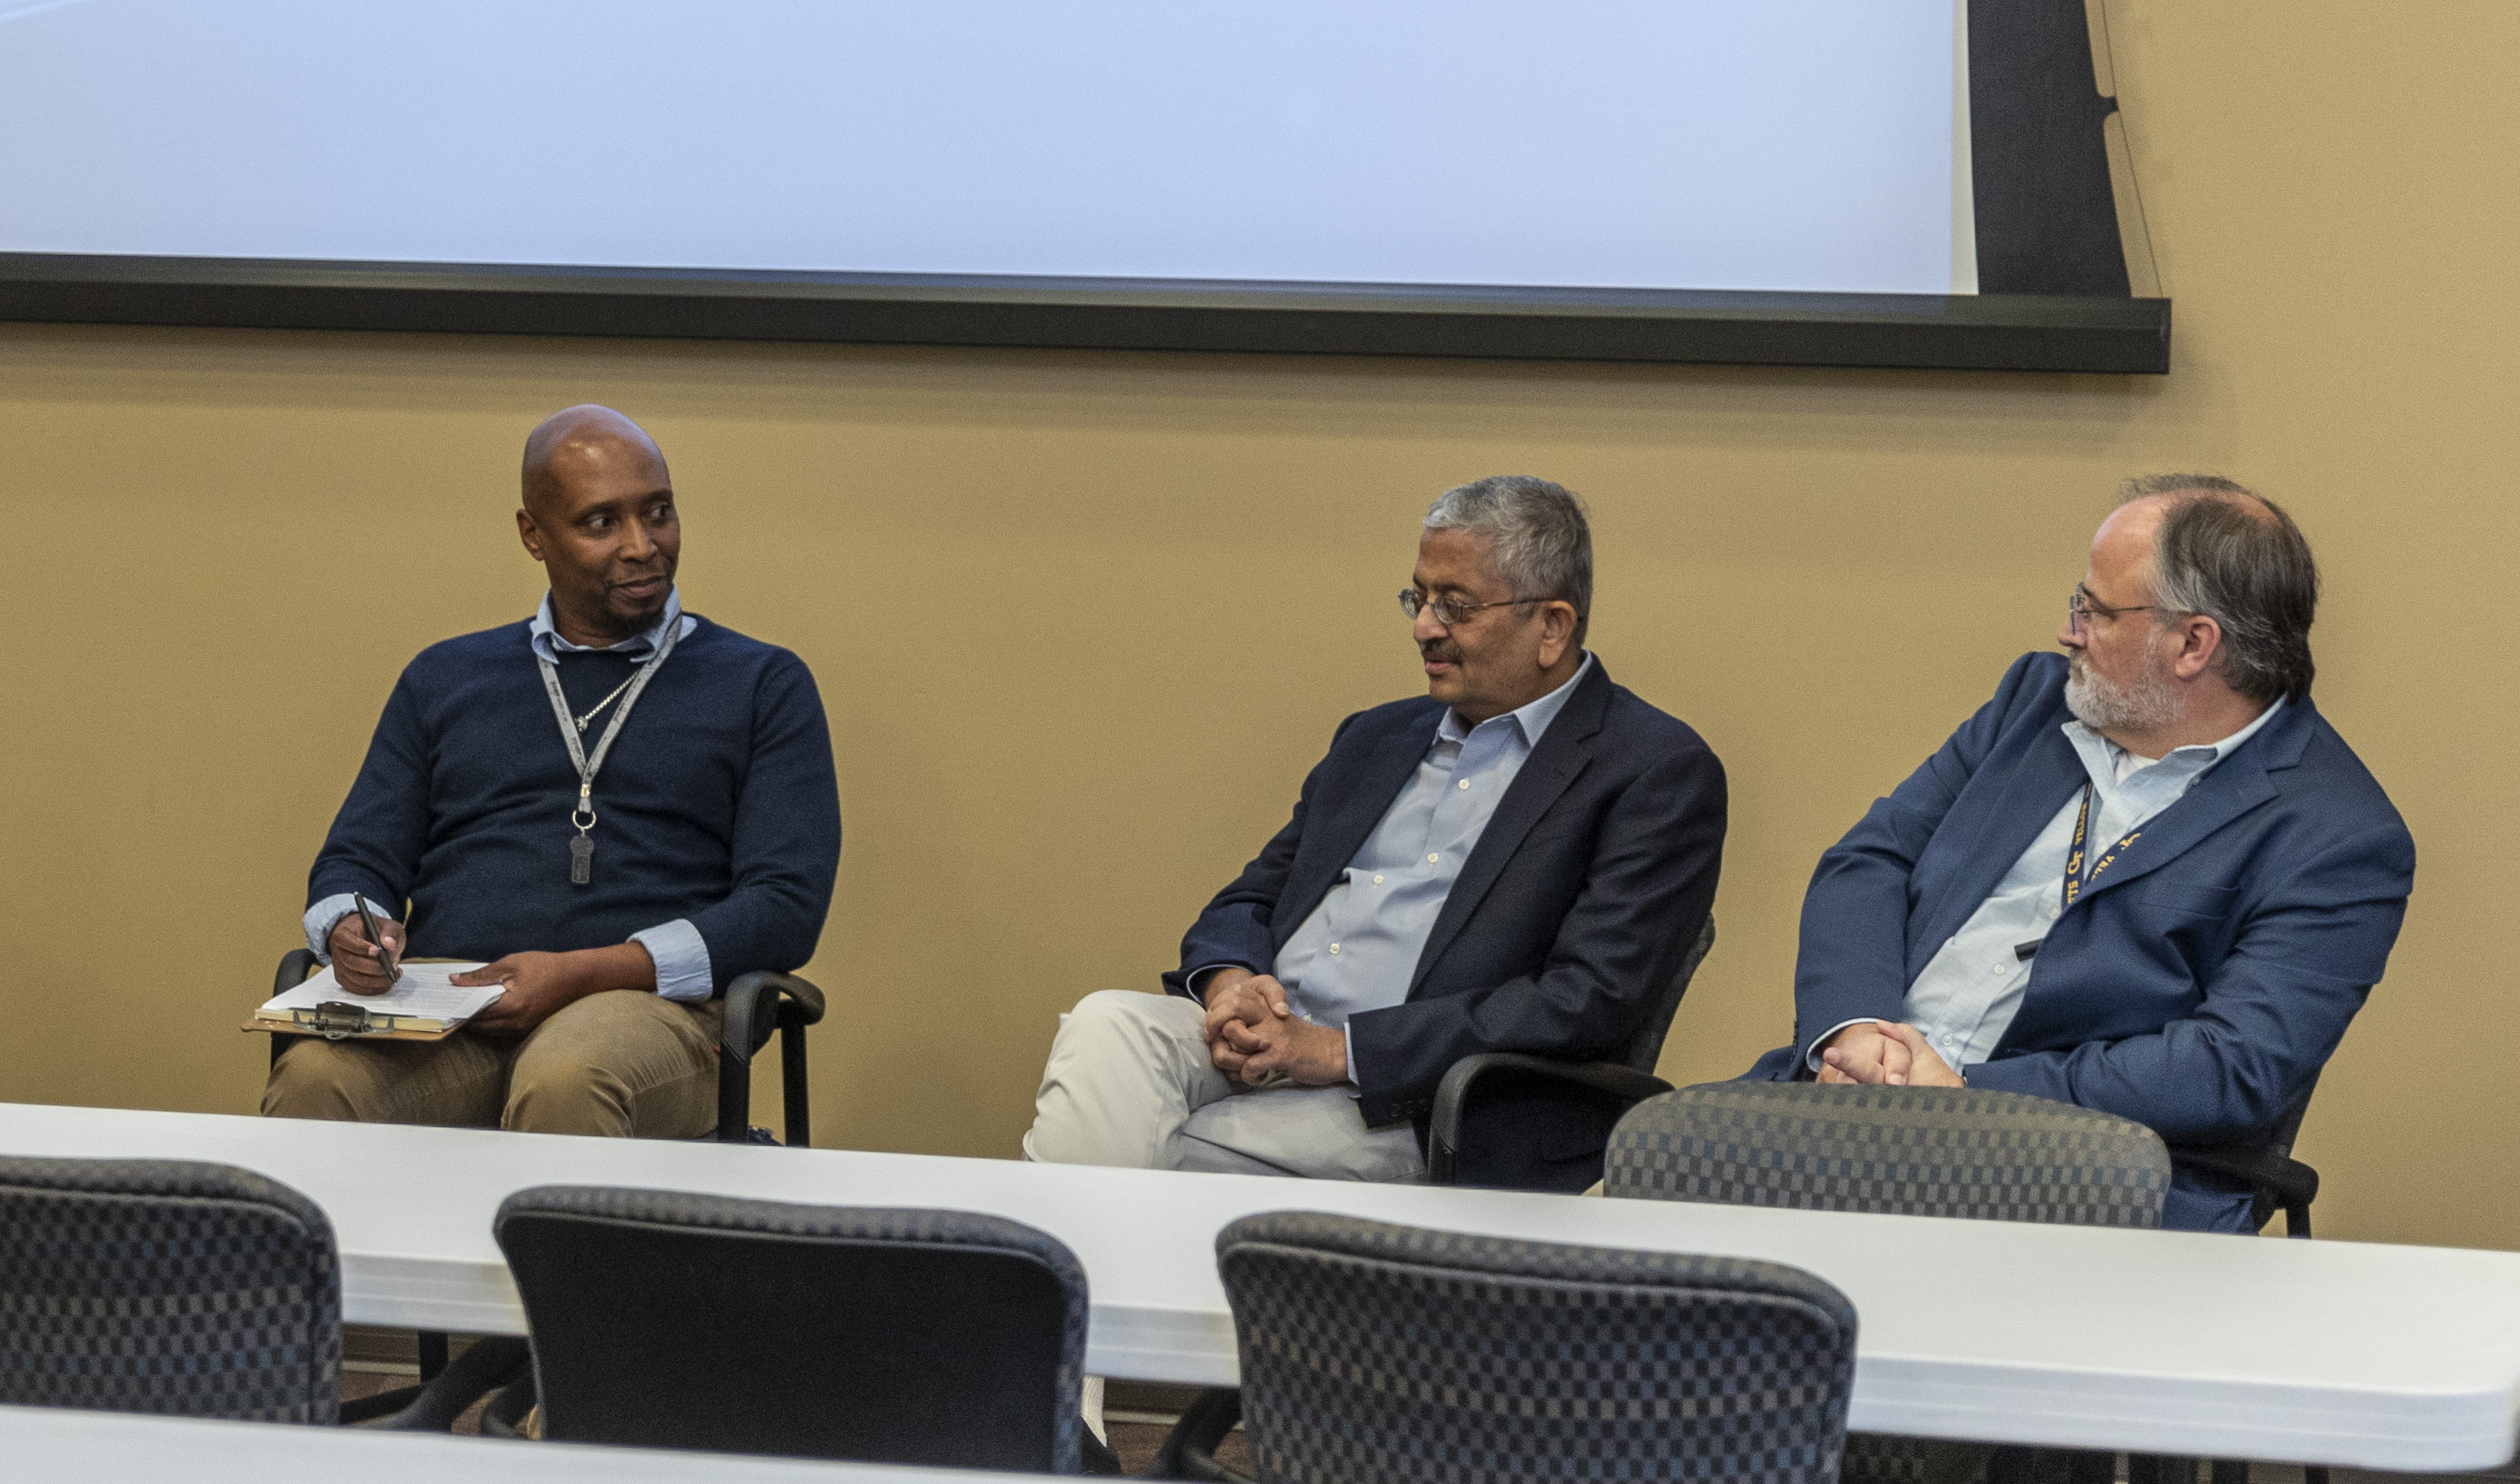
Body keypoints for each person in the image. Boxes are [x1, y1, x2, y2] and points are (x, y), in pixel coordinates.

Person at [1024, 476, 1726, 1193]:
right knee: (1105, 1025)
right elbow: (1252, 898)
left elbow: (1584, 1000)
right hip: (1268, 1040)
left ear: (1552, 625)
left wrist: (1339, 1050)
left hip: (1415, 1100)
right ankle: (1063, 1291)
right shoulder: (1376, 738)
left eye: (1455, 605)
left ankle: (1054, 1295)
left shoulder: (1653, 770)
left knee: (1162, 1153)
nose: (1423, 626)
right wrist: (1235, 988)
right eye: (1417, 598)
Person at [1750, 476, 2410, 1233]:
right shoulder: (2034, 700)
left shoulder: (2337, 833)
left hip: (2065, 1178)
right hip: (1844, 1102)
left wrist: (1963, 1095)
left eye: (2096, 609)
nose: (2071, 630)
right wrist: (1856, 1031)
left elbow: (2231, 1064)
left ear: (2194, 643)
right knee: (1625, 1241)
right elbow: (1873, 859)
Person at [263, 406, 838, 1140]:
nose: (642, 546)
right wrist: (351, 923)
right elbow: (358, 858)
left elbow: (785, 906)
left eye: (658, 513)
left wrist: (588, 971)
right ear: (534, 535)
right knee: (317, 1079)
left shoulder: (762, 684)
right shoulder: (445, 678)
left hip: (653, 1013)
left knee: (567, 1078)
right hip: (455, 1004)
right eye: (602, 523)